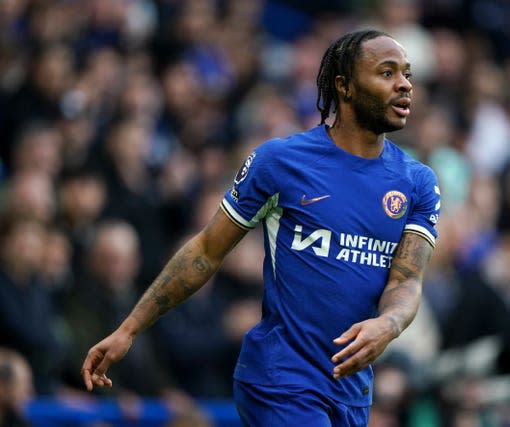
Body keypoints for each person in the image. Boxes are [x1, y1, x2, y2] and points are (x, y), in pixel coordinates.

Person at [81, 29, 440, 426]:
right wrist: (129, 329)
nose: (405, 84)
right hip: (280, 379)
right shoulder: (280, 162)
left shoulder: (416, 182)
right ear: (345, 86)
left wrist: (387, 325)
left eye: (406, 74)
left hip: (351, 387)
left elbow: (406, 281)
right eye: (387, 73)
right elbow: (206, 250)